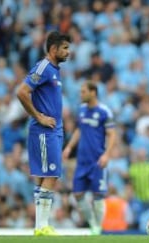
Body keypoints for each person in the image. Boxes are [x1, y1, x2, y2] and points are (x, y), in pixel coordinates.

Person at [16, 31, 71, 236]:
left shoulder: (55, 70)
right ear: (53, 49)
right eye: (64, 48)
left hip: (52, 130)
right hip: (44, 130)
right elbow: (21, 91)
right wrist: (39, 116)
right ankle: (42, 226)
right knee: (52, 175)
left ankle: (40, 227)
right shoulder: (44, 67)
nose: (68, 52)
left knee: (43, 177)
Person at [63, 81, 116, 235]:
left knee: (98, 195)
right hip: (82, 161)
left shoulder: (104, 111)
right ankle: (93, 223)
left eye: (83, 91)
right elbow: (79, 130)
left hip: (97, 161)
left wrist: (107, 155)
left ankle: (97, 228)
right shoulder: (81, 110)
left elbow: (112, 135)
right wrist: (69, 147)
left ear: (93, 92)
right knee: (78, 194)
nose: (81, 94)